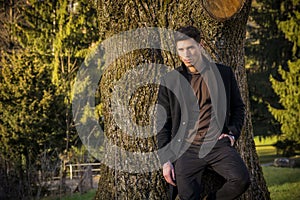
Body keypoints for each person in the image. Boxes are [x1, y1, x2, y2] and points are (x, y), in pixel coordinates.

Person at [156, 26, 250, 200]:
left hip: (217, 144)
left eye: (191, 48)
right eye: (181, 50)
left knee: (241, 180)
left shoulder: (223, 74)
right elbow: (163, 123)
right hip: (186, 149)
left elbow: (238, 108)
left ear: (201, 45)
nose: (186, 54)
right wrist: (165, 160)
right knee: (188, 196)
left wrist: (232, 134)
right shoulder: (170, 80)